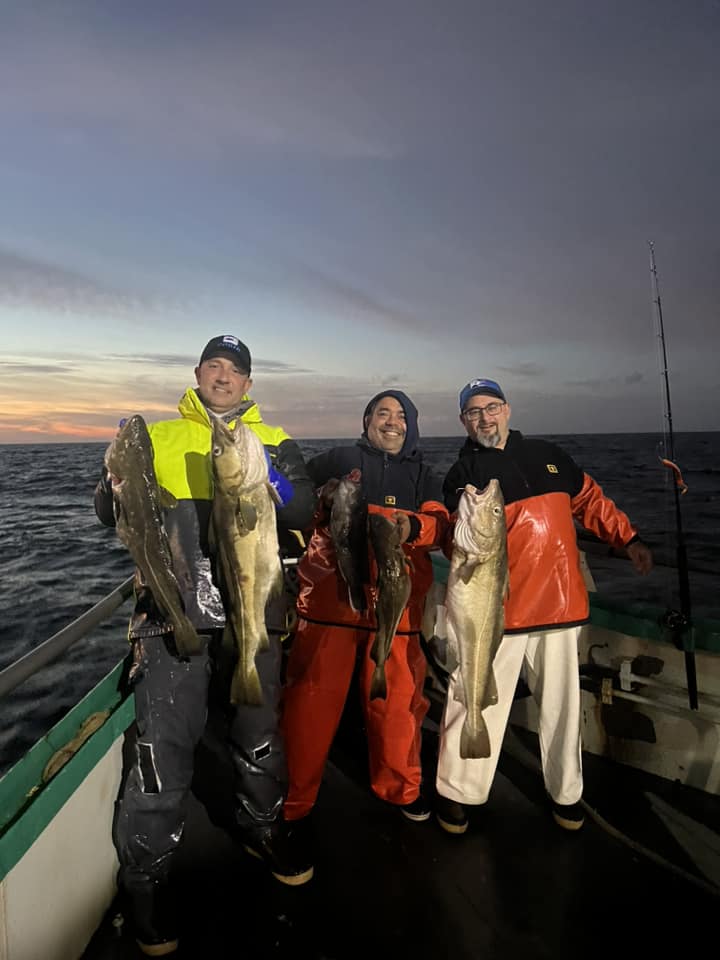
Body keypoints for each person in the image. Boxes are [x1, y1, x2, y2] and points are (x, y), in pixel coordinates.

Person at [94, 335, 315, 956]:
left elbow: (304, 512)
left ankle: (262, 826)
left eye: (235, 370)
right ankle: (147, 879)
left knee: (258, 731)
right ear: (196, 374)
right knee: (160, 750)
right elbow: (108, 516)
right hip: (173, 615)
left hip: (254, 616)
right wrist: (110, 489)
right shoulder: (159, 438)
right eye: (213, 366)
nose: (223, 376)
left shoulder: (273, 440)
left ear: (248, 383)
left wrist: (272, 479)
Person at [435, 378, 653, 835]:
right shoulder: (461, 474)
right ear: (463, 421)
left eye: (491, 407)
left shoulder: (551, 454)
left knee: (561, 708)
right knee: (471, 699)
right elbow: (450, 534)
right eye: (473, 412)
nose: (484, 418)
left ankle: (567, 795)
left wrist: (626, 537)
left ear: (508, 410)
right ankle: (458, 793)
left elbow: (589, 499)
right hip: (497, 610)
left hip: (559, 604)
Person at [281, 390, 449, 850]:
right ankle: (294, 800)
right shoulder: (336, 457)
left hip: (397, 612)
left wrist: (414, 527)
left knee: (397, 708)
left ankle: (400, 788)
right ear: (367, 420)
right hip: (329, 606)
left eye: (400, 416)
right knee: (308, 707)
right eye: (383, 413)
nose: (391, 422)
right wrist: (323, 496)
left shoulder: (425, 474)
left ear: (411, 426)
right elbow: (295, 507)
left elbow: (442, 525)